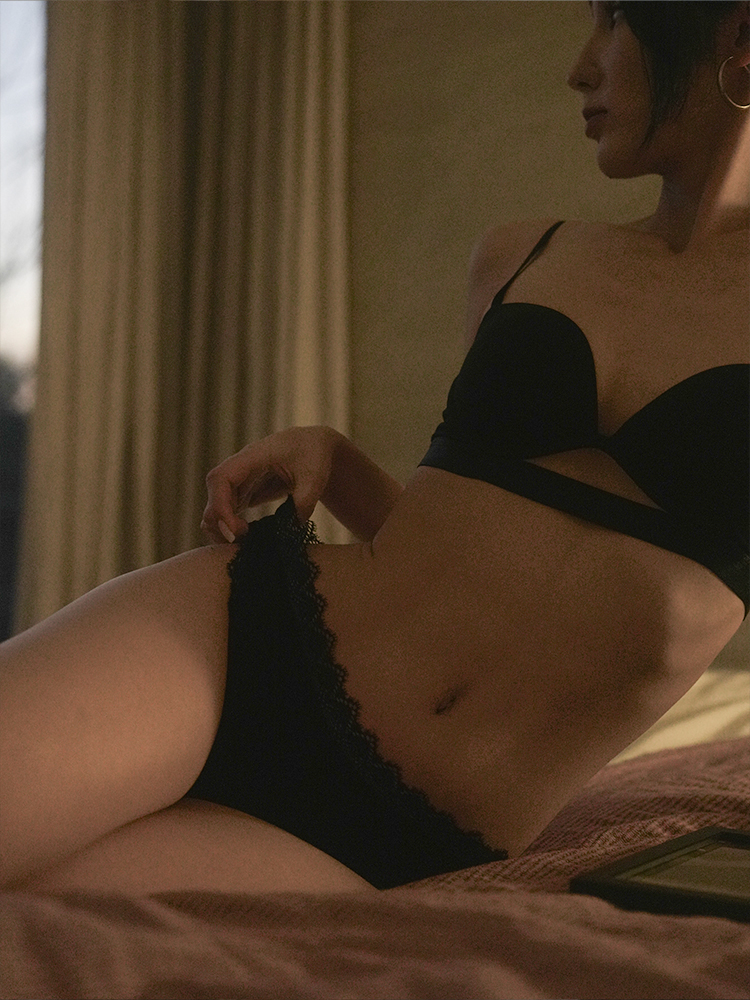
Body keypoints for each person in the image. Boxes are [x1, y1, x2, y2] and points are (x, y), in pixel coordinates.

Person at [1, 0, 748, 895]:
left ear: (738, 34)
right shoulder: (526, 255)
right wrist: (341, 463)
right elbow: (463, 567)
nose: (581, 68)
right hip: (240, 643)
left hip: (409, 830)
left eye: (616, 20)